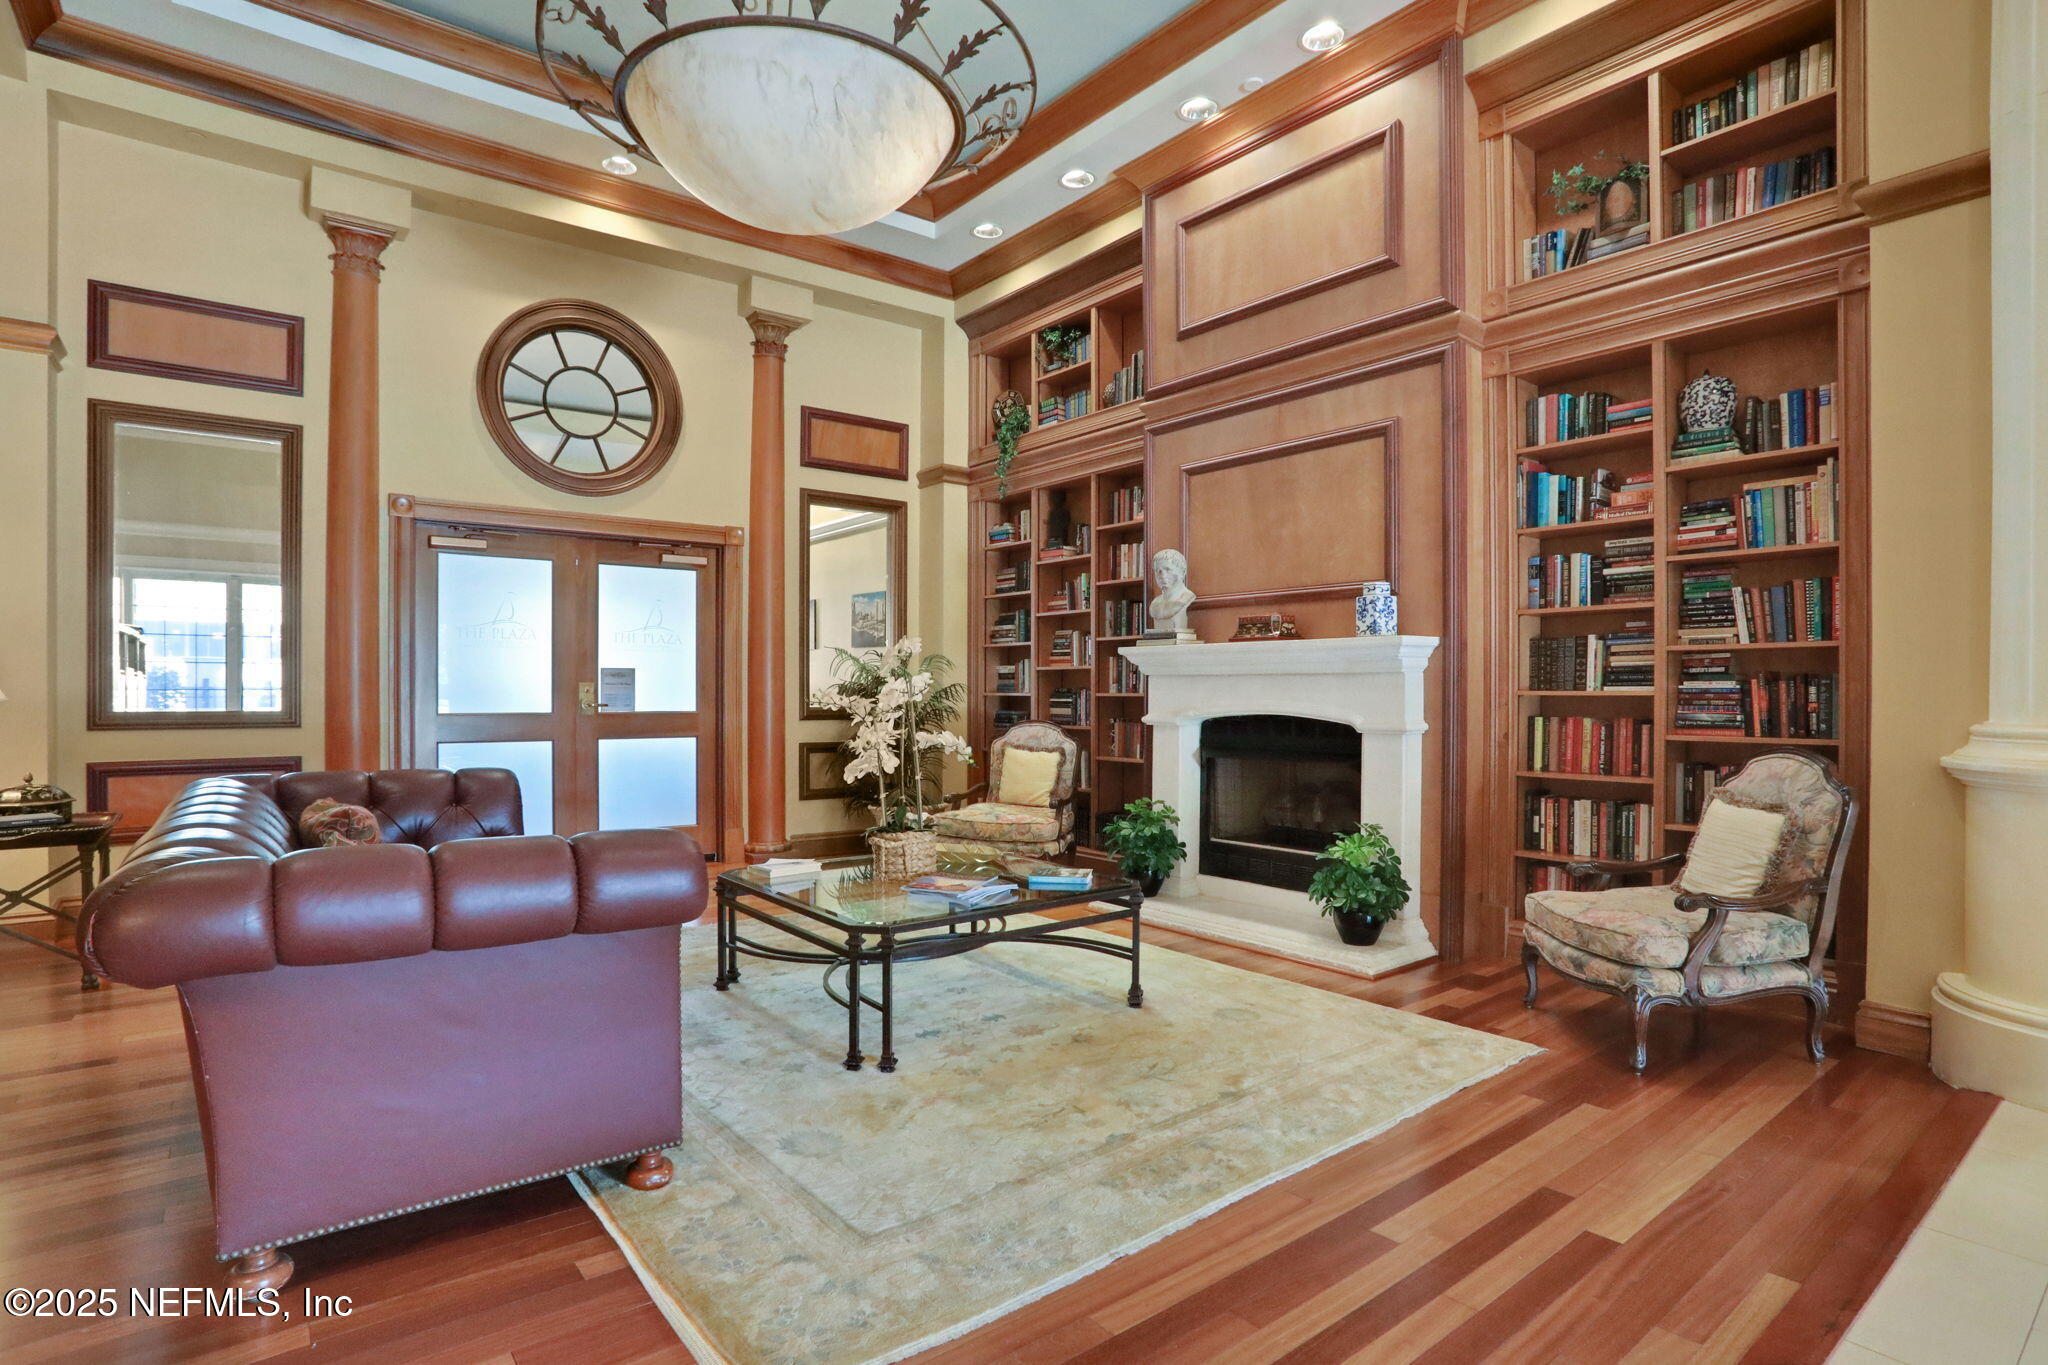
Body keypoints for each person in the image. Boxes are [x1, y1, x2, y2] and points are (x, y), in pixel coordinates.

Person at [1148, 548, 1195, 637]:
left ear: (1182, 572)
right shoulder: (1155, 604)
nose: (1162, 575)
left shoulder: (1186, 598)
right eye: (1158, 571)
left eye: (1168, 569)